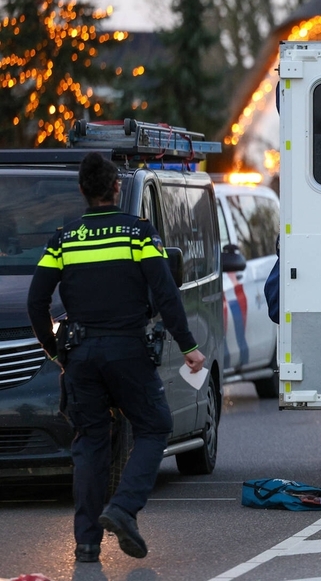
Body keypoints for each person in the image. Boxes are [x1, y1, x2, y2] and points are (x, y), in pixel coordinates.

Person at [26, 153, 206, 563]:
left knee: (89, 444)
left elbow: (37, 302)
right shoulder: (137, 234)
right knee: (154, 425)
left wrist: (55, 352)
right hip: (127, 349)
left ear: (81, 192)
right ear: (116, 189)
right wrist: (189, 346)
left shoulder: (63, 238)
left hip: (80, 355)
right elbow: (165, 293)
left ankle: (86, 545)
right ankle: (123, 508)